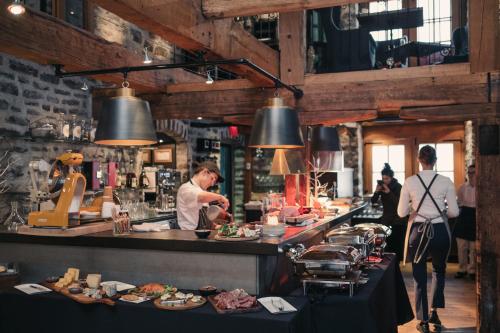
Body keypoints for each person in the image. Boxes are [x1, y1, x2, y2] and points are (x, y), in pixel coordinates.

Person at [397, 145, 459, 333]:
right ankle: (435, 312)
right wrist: (439, 213)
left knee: (419, 274)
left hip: (418, 230)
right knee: (439, 271)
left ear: (419, 160)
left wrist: (415, 209)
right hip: (439, 230)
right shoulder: (446, 180)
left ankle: (423, 319)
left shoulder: (409, 181)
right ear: (435, 160)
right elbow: (454, 212)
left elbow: (401, 213)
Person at [176, 161, 229, 230]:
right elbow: (200, 197)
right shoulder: (185, 188)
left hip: (202, 235)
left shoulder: (202, 191)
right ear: (204, 172)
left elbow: (206, 223)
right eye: (212, 178)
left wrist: (225, 227)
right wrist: (220, 197)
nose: (212, 184)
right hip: (188, 236)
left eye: (214, 181)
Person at [370, 163, 406, 260]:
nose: (385, 181)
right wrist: (376, 192)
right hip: (386, 219)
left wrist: (389, 192)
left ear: (391, 177)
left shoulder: (399, 187)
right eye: (383, 178)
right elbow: (373, 201)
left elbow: (399, 204)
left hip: (398, 220)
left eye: (387, 179)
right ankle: (388, 265)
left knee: (396, 245)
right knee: (385, 244)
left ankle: (397, 263)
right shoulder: (382, 186)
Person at [454, 164, 476, 279]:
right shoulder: (461, 187)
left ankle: (472, 270)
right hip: (464, 216)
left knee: (473, 247)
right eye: (469, 172)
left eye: (473, 172)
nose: (471, 175)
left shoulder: (481, 187)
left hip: (476, 216)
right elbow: (459, 203)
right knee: (462, 246)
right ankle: (462, 269)